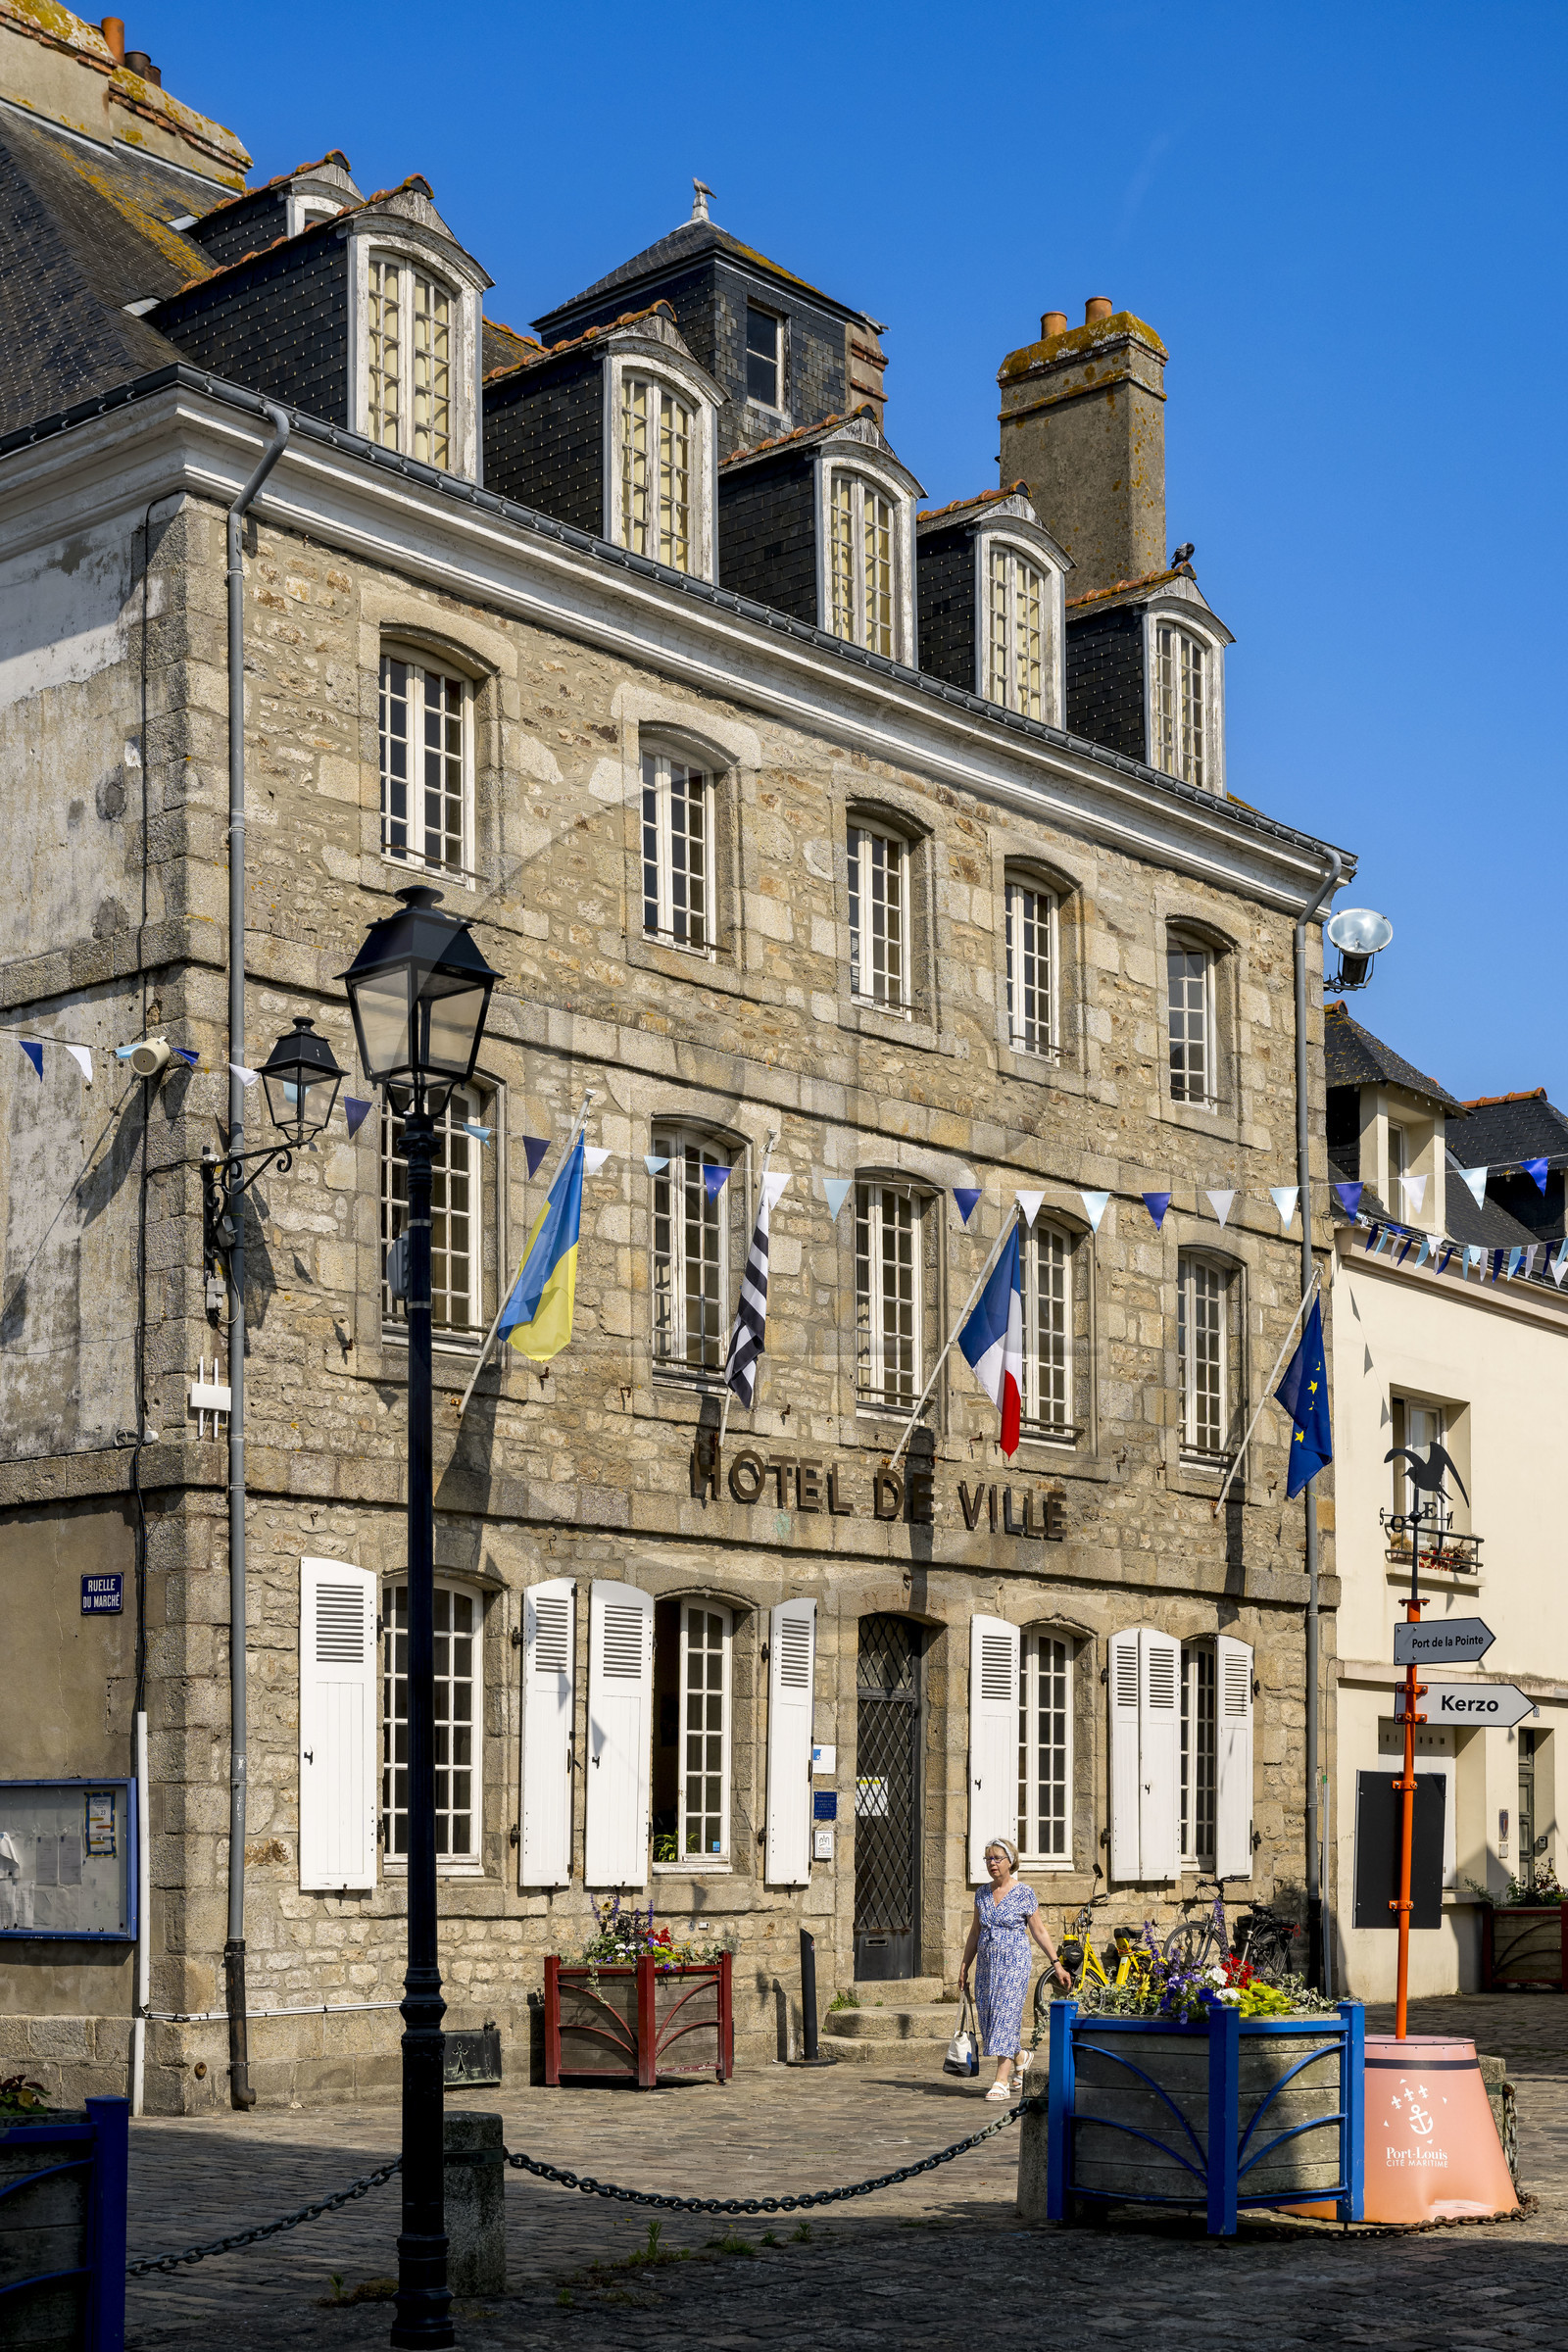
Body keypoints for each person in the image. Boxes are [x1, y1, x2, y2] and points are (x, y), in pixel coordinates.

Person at [958, 1838, 1070, 2098]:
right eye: (988, 1859)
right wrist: (965, 1966)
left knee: (1005, 2016)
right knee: (989, 2019)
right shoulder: (982, 1893)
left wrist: (1057, 1964)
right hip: (986, 1965)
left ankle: (1001, 2081)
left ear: (1011, 1861)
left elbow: (1039, 1930)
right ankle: (1021, 2056)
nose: (992, 1864)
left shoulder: (1024, 1892)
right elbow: (975, 1933)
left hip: (1014, 1962)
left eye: (997, 1858)